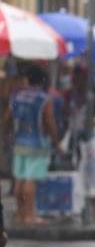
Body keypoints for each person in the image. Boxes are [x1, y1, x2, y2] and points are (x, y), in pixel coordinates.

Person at [5, 64, 60, 225]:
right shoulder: (43, 99)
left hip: (19, 143)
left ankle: (20, 214)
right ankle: (30, 215)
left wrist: (6, 136)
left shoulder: (17, 97)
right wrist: (56, 142)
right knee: (30, 179)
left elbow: (7, 119)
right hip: (37, 144)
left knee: (19, 179)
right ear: (43, 80)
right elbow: (49, 123)